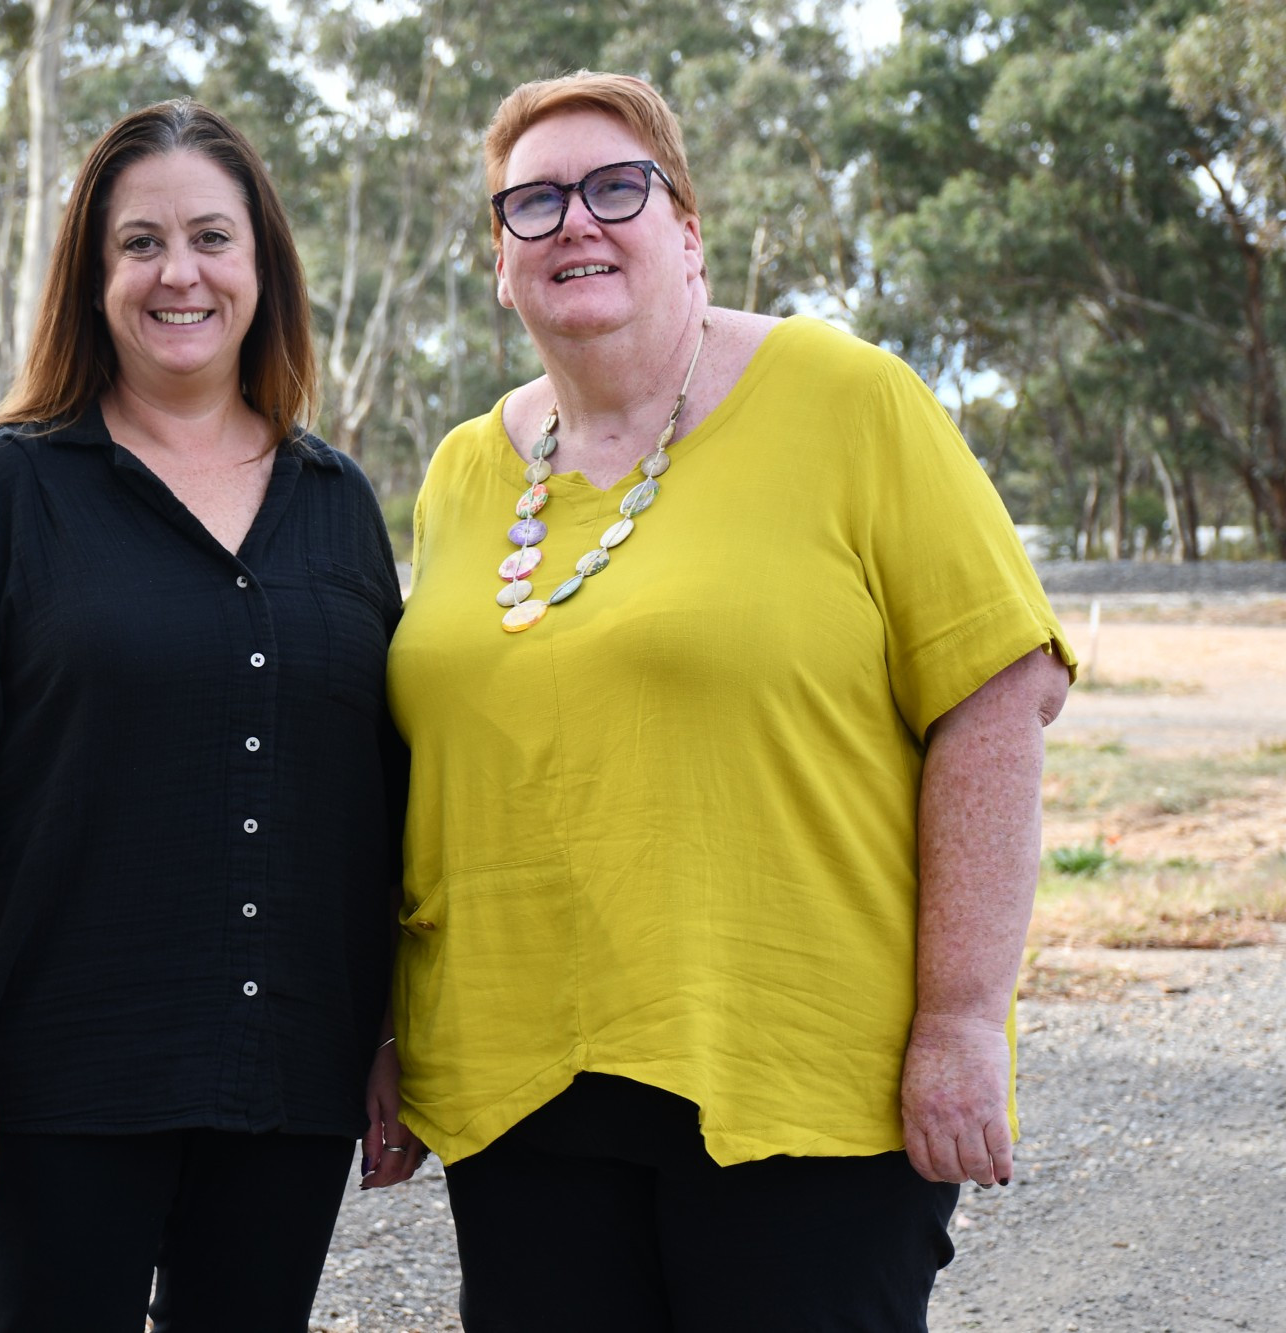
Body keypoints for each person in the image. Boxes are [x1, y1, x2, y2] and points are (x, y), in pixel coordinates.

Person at [386, 71, 1076, 1330]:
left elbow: (993, 690)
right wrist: (385, 1021)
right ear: (499, 261)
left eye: (614, 188)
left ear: (686, 230)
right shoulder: (462, 471)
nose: (573, 223)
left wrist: (964, 1018)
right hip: (517, 1081)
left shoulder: (841, 396)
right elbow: (429, 769)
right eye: (530, 203)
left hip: (797, 1075)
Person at [0, 99, 421, 1333]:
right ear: (92, 279)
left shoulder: (336, 502)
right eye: (139, 243)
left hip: (286, 1082)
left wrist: (393, 1034)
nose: (178, 273)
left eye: (211, 236)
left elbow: (381, 799)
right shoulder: (1, 494)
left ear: (260, 267)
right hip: (63, 1086)